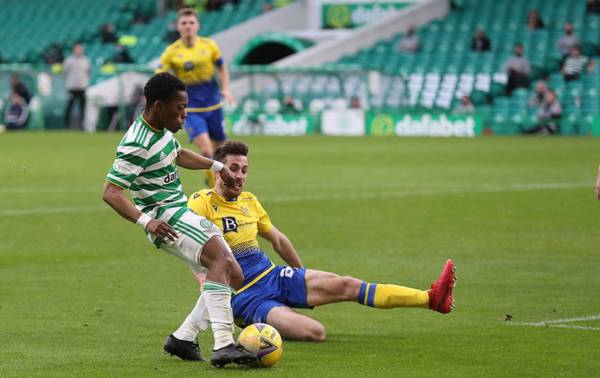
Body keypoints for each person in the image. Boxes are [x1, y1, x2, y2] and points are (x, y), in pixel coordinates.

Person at [186, 141, 456, 342]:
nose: (240, 175)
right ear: (218, 171)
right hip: (245, 295)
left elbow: (278, 240)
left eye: (245, 170)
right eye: (234, 168)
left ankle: (431, 299)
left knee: (346, 284)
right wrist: (205, 287)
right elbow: (191, 248)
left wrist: (299, 274)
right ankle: (247, 320)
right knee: (315, 332)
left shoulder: (249, 201)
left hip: (274, 275)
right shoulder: (202, 203)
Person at [102, 72, 256, 368]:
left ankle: (184, 338)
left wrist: (216, 165)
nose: (185, 114)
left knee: (233, 275)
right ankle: (224, 344)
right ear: (159, 105)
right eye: (179, 108)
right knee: (221, 263)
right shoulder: (136, 143)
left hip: (178, 211)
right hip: (165, 217)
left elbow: (177, 154)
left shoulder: (160, 130)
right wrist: (146, 221)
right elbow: (110, 192)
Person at [157, 7, 234, 188]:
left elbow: (222, 68)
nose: (188, 26)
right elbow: (160, 76)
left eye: (191, 22)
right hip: (190, 109)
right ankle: (215, 186)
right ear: (178, 26)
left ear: (197, 25)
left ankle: (215, 181)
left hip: (214, 105)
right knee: (206, 150)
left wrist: (226, 89)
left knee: (220, 150)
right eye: (184, 23)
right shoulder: (171, 51)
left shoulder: (209, 45)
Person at [63, 43, 91, 129]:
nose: (79, 50)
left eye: (80, 48)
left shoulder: (86, 60)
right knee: (69, 106)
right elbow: (65, 72)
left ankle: (82, 125)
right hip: (72, 87)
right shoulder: (68, 60)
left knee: (82, 107)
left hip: (82, 87)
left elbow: (88, 72)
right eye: (77, 48)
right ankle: (66, 125)